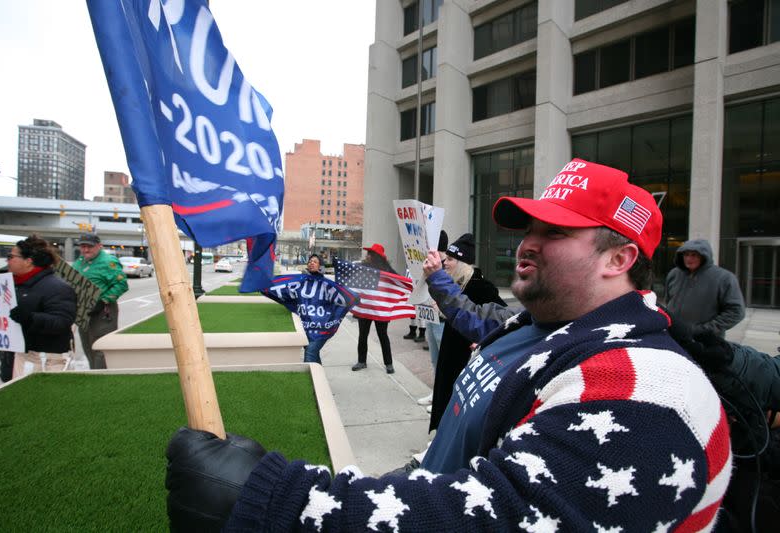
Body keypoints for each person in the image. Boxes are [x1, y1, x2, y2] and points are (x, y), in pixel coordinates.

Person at [166, 159, 731, 531]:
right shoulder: (536, 326)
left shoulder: (647, 391)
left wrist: (283, 503)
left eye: (554, 232)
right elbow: (469, 317)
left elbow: (499, 515)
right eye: (529, 228)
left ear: (619, 258)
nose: (526, 244)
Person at [427, 233, 505, 431]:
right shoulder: (457, 284)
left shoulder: (482, 287)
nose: (446, 263)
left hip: (466, 359)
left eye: (451, 259)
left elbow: (502, 322)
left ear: (463, 263)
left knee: (457, 405)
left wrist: (485, 341)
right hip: (451, 353)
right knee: (445, 395)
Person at [0, 235, 77, 382]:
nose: (7, 260)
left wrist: (30, 318)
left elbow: (62, 322)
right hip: (15, 360)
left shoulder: (57, 288)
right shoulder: (9, 286)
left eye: (10, 256)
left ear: (28, 261)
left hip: (43, 364)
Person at [665, 238, 745, 337]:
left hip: (705, 341)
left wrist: (703, 330)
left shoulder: (724, 278)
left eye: (694, 255)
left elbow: (736, 311)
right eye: (686, 254)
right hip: (674, 336)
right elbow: (668, 302)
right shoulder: (674, 274)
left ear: (704, 256)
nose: (689, 259)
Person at [72, 232, 128, 369]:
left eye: (89, 247)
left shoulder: (109, 262)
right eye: (83, 246)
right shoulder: (79, 262)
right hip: (83, 311)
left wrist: (103, 300)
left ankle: (102, 376)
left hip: (102, 312)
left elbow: (122, 284)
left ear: (99, 246)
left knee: (101, 348)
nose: (85, 250)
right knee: (87, 346)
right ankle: (94, 373)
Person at [351, 243, 398, 374]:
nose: (367, 256)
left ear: (375, 256)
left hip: (380, 309)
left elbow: (398, 282)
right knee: (363, 335)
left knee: (383, 335)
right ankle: (361, 361)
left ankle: (389, 364)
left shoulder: (387, 269)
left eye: (370, 254)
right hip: (365, 308)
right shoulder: (362, 267)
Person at [417, 229, 449, 408]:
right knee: (435, 359)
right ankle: (437, 393)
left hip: (443, 319)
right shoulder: (430, 264)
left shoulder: (447, 264)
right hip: (430, 316)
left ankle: (442, 399)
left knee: (444, 361)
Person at [302, 254, 327, 364]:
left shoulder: (326, 284)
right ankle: (320, 378)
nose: (311, 263)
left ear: (320, 266)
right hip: (306, 325)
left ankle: (309, 378)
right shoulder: (301, 281)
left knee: (310, 353)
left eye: (315, 262)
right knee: (313, 354)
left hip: (321, 326)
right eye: (310, 261)